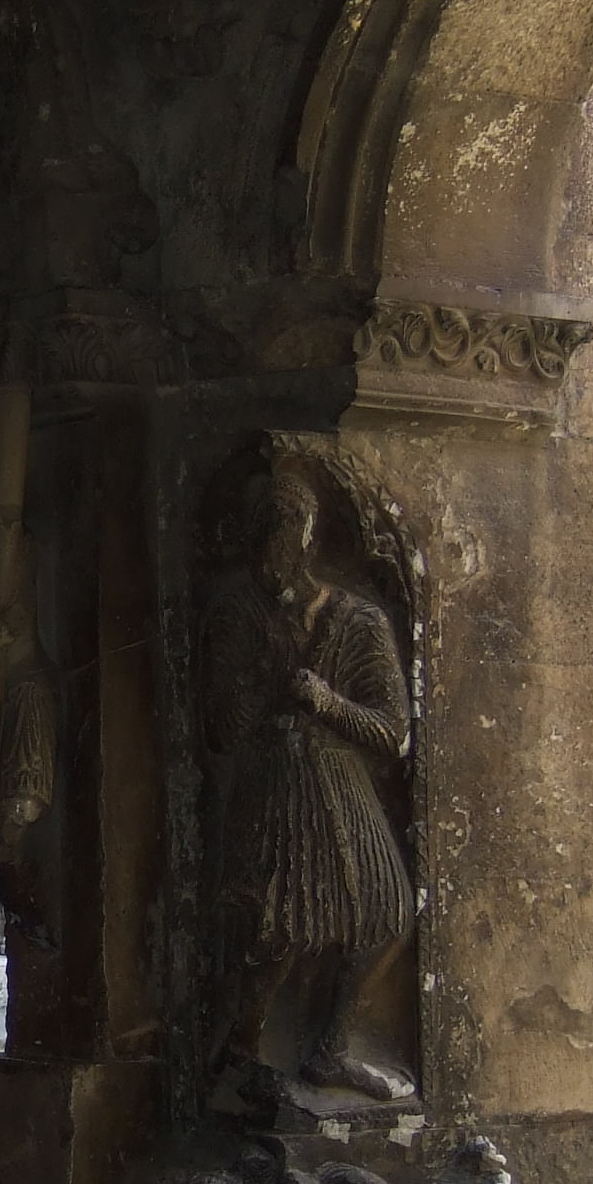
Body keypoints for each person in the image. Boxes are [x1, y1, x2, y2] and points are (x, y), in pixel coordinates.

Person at [207, 470, 416, 1102]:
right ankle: (240, 1052)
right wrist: (263, 681)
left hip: (342, 784)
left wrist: (326, 703)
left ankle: (331, 1046)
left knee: (387, 911)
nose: (275, 546)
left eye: (286, 527)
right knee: (276, 928)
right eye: (264, 529)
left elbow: (392, 732)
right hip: (273, 784)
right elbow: (219, 729)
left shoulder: (357, 620)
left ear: (307, 536)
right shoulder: (239, 616)